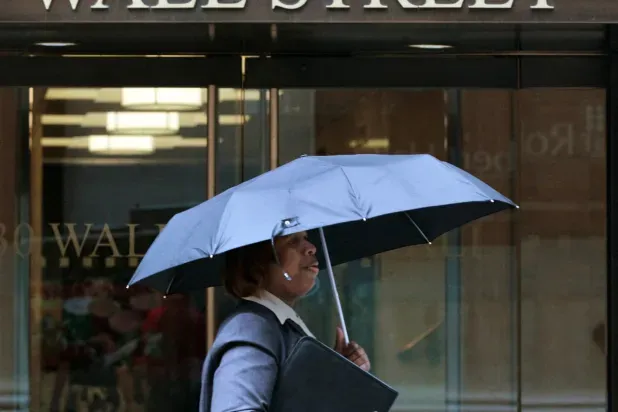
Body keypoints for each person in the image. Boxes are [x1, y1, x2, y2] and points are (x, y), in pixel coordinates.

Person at [199, 230, 371, 412]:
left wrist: (336, 375)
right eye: (292, 241)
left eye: (305, 238)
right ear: (259, 260)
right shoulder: (251, 327)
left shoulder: (275, 323)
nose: (311, 248)